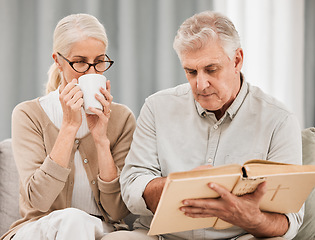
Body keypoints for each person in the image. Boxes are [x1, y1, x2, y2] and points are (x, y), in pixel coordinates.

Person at [106, 10, 304, 240]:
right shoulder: (157, 107)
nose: (200, 84)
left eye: (211, 70)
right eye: (191, 72)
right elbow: (131, 189)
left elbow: (290, 220)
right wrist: (178, 186)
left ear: (237, 60)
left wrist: (252, 219)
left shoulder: (279, 120)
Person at [0, 13, 136, 240]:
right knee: (73, 219)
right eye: (80, 62)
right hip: (39, 228)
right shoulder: (28, 114)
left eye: (100, 61)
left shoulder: (121, 118)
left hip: (100, 226)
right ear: (58, 60)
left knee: (81, 221)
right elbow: (39, 201)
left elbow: (118, 211)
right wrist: (69, 127)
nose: (92, 73)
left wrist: (102, 140)